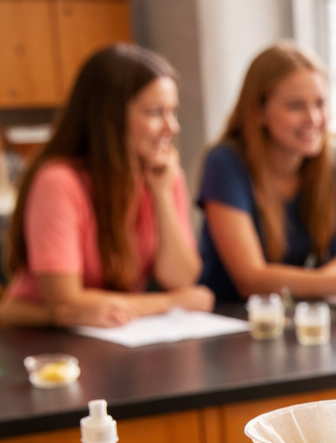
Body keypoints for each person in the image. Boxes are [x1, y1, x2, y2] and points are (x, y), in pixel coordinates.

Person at [197, 42, 336, 443]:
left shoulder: (334, 159)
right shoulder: (225, 162)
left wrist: (309, 281)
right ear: (259, 110)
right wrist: (334, 279)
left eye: (319, 103)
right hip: (229, 339)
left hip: (297, 333)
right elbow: (251, 277)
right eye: (296, 105)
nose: (313, 118)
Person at [0, 44, 211, 327]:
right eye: (154, 113)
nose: (171, 127)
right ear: (109, 118)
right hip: (44, 342)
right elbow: (67, 304)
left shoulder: (162, 175)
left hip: (113, 335)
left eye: (172, 112)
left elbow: (181, 278)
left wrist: (161, 196)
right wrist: (172, 304)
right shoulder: (59, 181)